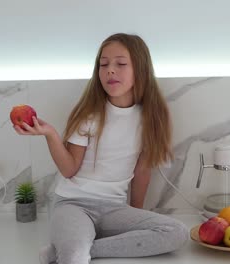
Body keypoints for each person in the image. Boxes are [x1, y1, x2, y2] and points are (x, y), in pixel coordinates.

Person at [14, 33, 189, 264]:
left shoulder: (150, 119)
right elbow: (69, 169)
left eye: (121, 63)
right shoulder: (90, 116)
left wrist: (134, 217)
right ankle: (74, 248)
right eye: (103, 64)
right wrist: (51, 135)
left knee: (177, 233)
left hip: (113, 209)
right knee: (74, 257)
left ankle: (79, 249)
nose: (110, 70)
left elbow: (142, 174)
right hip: (73, 205)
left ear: (141, 69)